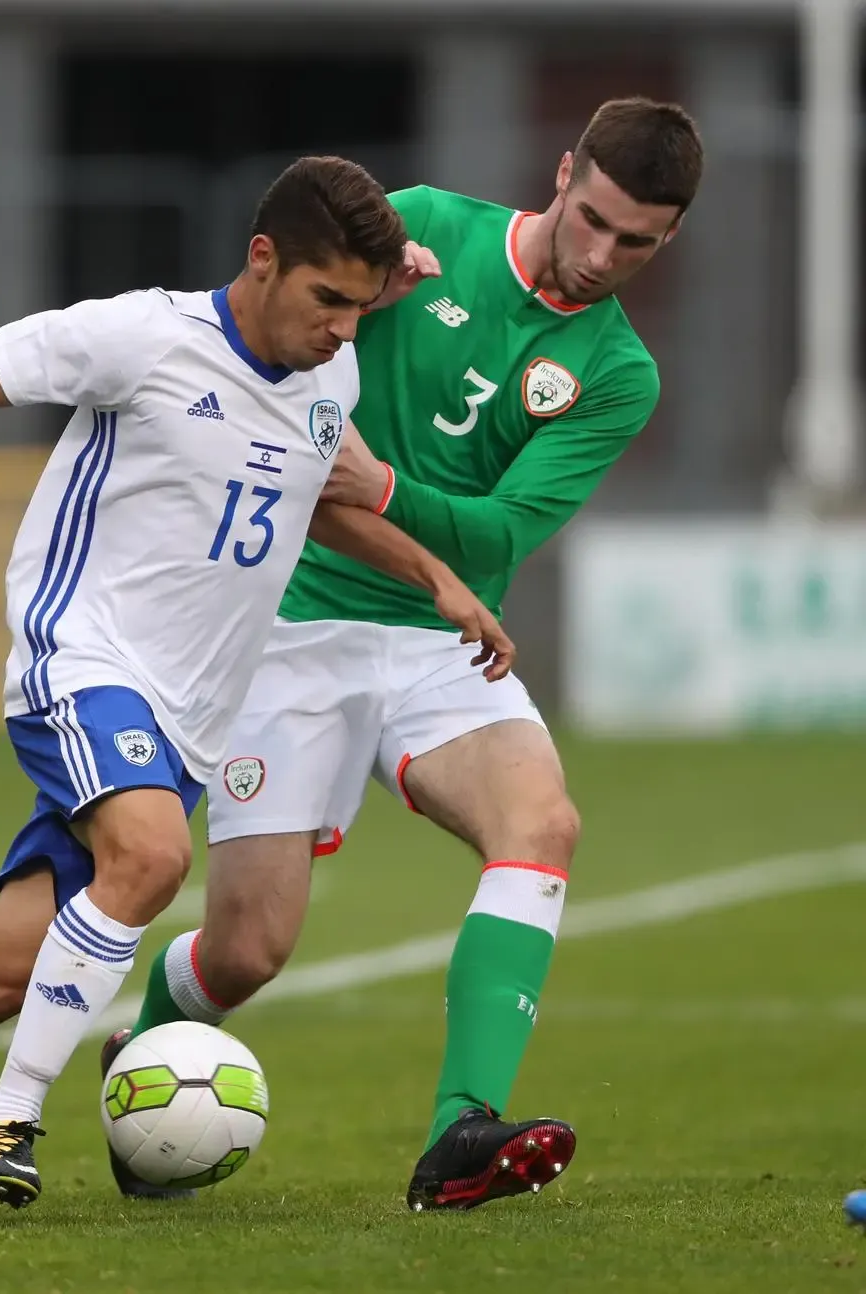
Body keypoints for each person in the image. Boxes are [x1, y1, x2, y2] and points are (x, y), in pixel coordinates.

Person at [0, 155, 514, 1216]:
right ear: (261, 260)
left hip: (183, 725)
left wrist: (436, 577)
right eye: (327, 301)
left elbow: (313, 503)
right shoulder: (141, 337)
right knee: (154, 857)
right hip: (79, 659)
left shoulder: (330, 381)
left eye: (360, 307)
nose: (344, 330)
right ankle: (11, 1122)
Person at [115, 98, 705, 1211]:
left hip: (444, 638)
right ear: (562, 170)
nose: (599, 256)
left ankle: (457, 1133)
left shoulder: (618, 372)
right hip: (287, 622)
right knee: (246, 951)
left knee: (542, 823)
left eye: (635, 242)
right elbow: (262, 329)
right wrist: (355, 300)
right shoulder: (425, 225)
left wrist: (377, 483)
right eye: (590, 219)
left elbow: (502, 532)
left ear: (665, 238)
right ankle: (146, 1059)